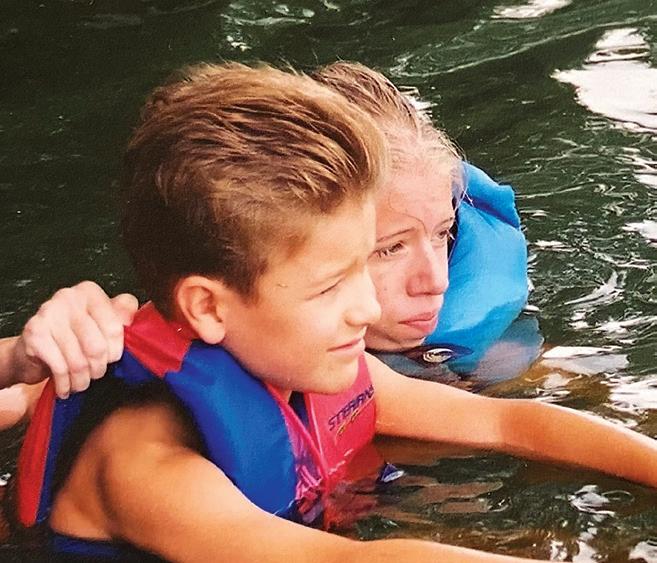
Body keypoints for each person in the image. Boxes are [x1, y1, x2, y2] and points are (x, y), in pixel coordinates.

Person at [14, 62, 657, 563]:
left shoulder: (324, 368)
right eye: (330, 286)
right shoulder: (143, 467)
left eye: (362, 266)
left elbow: (511, 424)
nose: (366, 307)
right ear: (207, 307)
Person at [1, 62, 531, 401]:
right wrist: (20, 359)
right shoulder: (205, 348)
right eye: (387, 249)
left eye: (442, 235)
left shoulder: (474, 337)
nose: (435, 280)